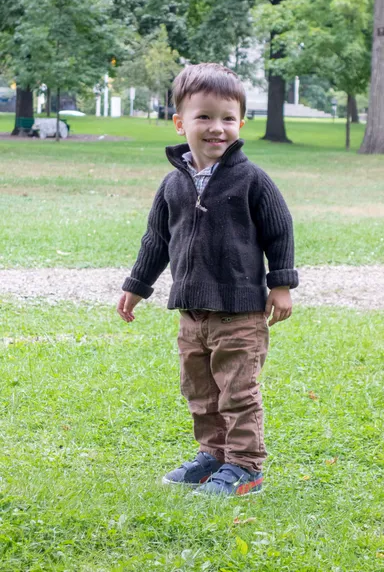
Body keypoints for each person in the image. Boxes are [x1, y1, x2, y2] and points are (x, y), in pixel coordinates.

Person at [117, 63, 299, 497]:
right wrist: (136, 285)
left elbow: (280, 229)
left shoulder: (251, 179)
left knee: (237, 392)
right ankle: (214, 454)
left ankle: (245, 467)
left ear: (240, 123)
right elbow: (156, 239)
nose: (217, 128)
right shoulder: (172, 185)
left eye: (228, 118)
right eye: (204, 117)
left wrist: (282, 283)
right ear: (180, 122)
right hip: (192, 314)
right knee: (200, 390)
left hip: (239, 312)